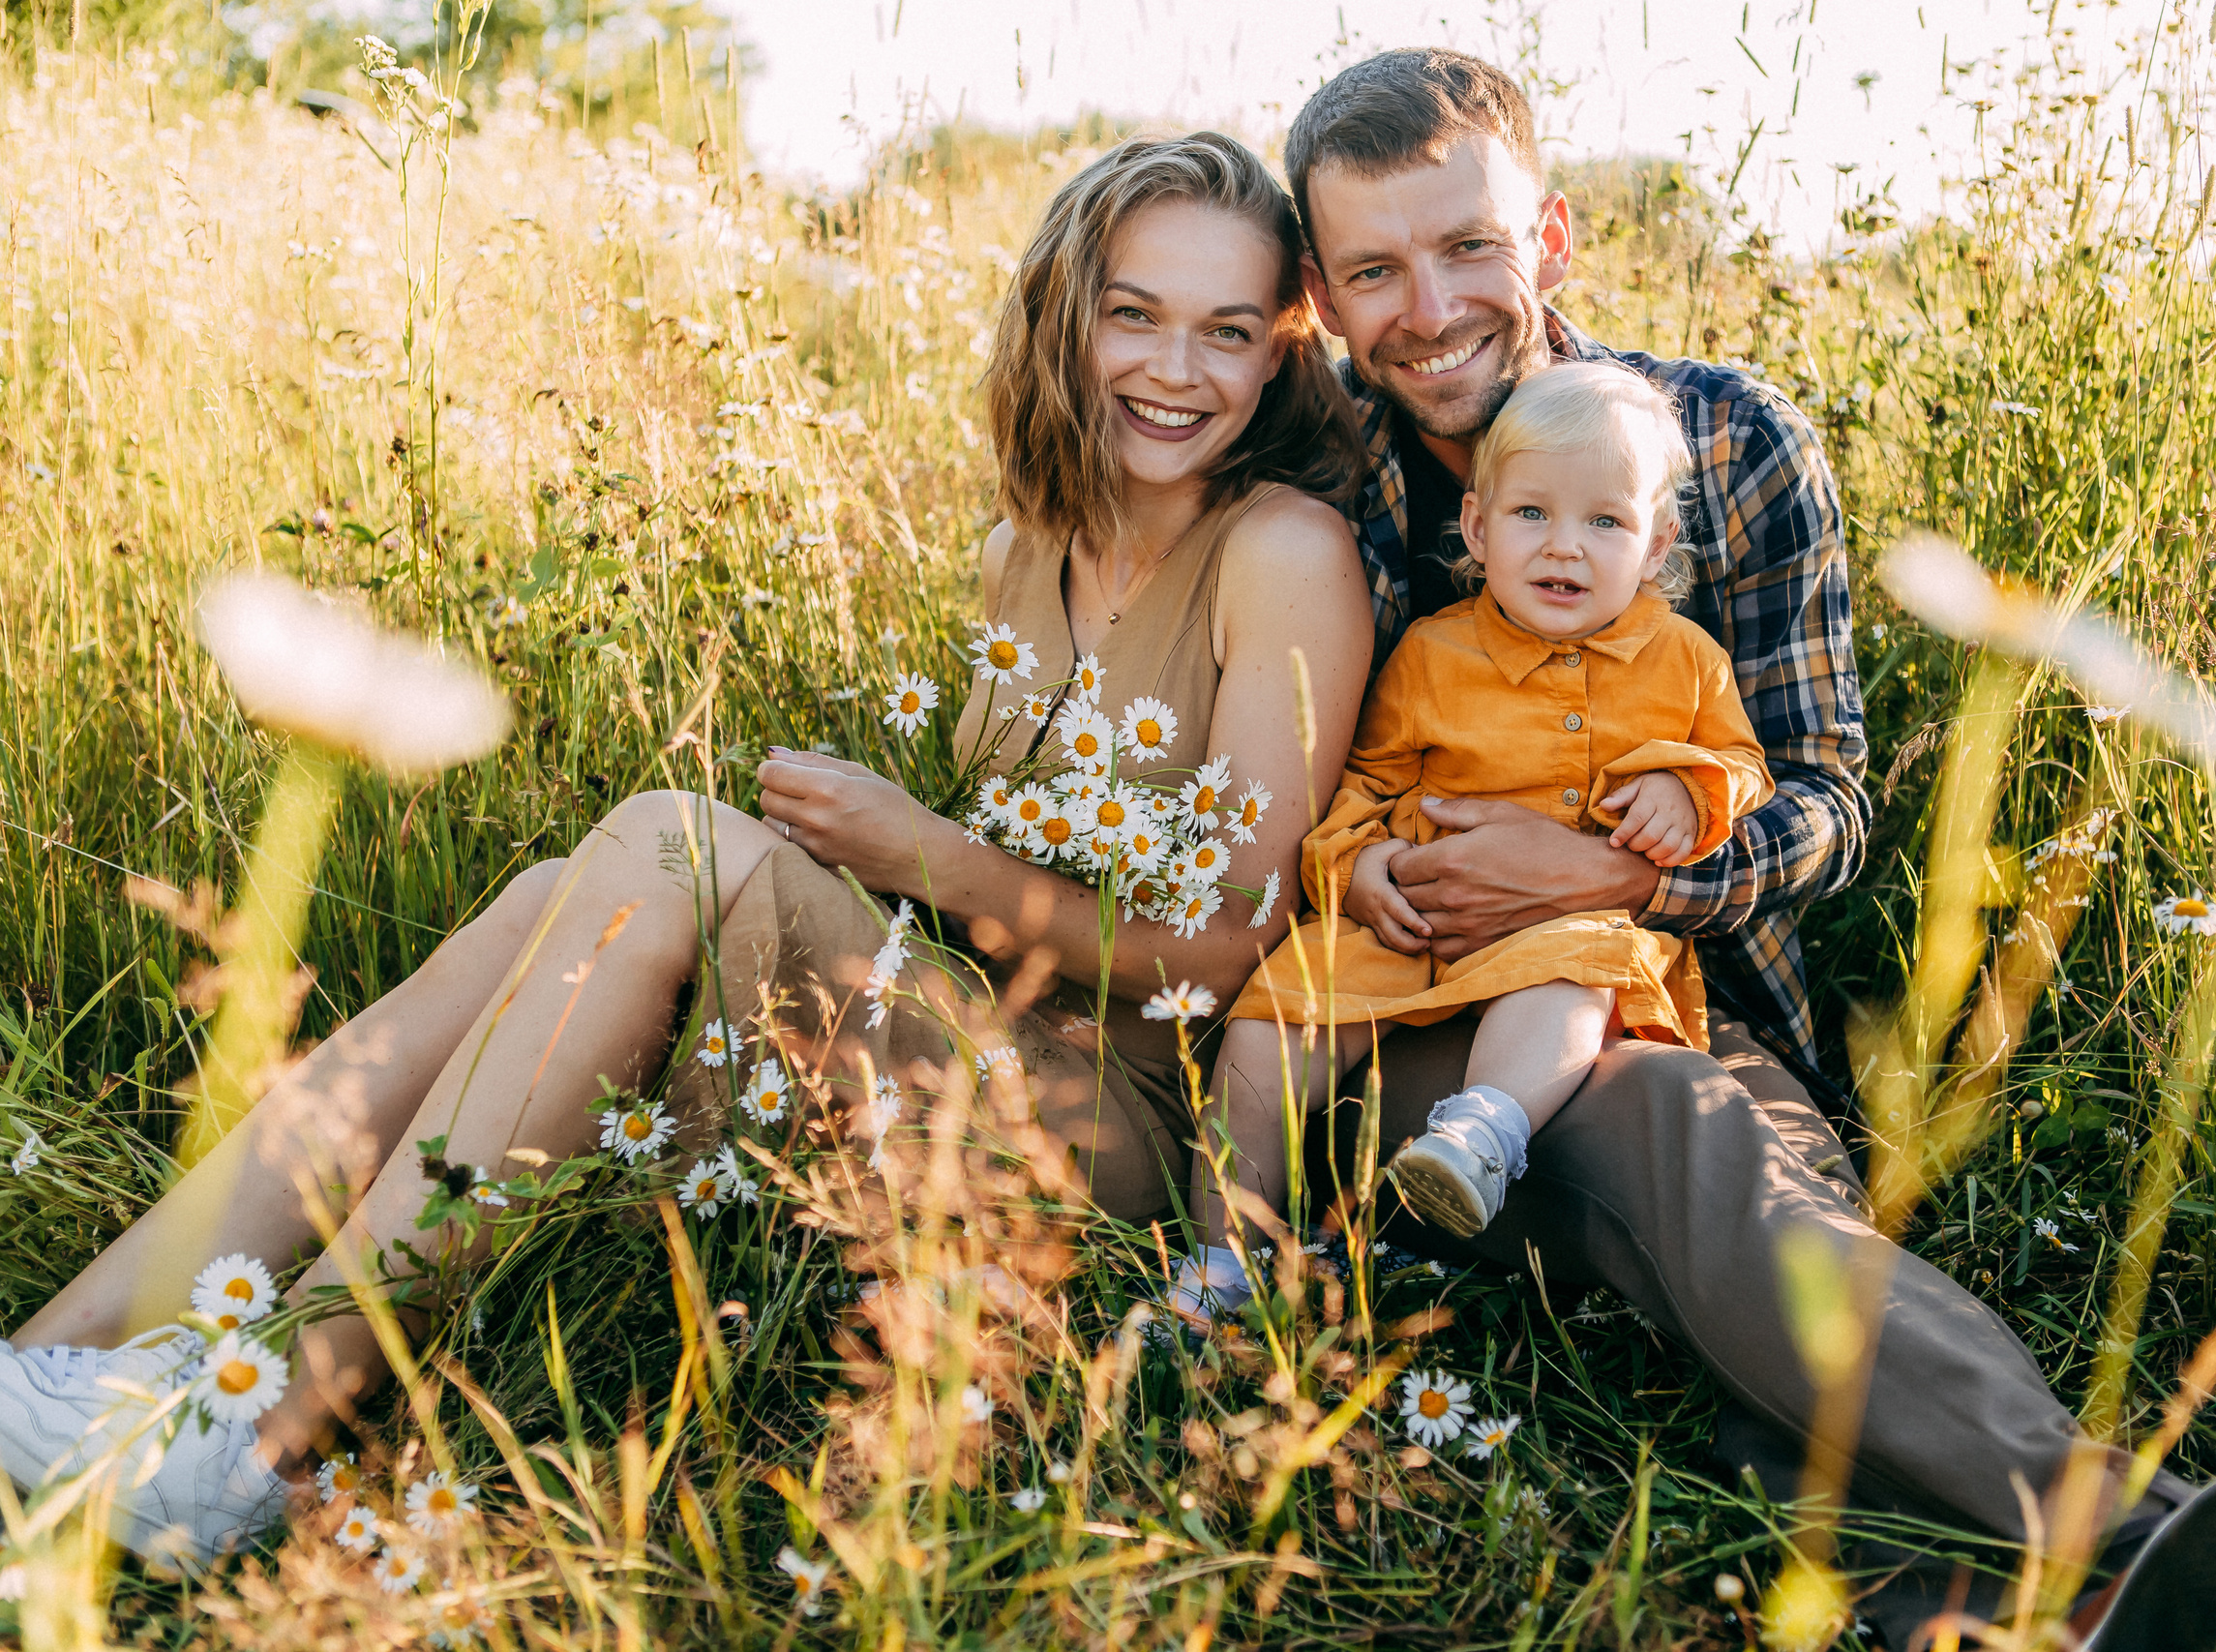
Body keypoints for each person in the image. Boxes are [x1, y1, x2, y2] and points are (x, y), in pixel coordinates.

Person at [0, 131, 1374, 1567]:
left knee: (668, 843)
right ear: (1065, 315)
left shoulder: (1281, 553)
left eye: (1230, 331)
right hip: (963, 1030)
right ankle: (59, 1362)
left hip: (1120, 1132)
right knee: (553, 896)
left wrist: (928, 860)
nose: (1176, 369)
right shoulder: (1022, 545)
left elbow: (1233, 949)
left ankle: (268, 1432)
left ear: (1280, 354)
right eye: (1134, 313)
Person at [1278, 45, 2197, 1633]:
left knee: (1713, 1187)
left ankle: (1981, 1609)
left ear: (1550, 238)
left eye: (1469, 247)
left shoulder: (1716, 443)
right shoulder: (1316, 485)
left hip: (1680, 1000)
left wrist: (1632, 872)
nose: (1427, 308)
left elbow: (1829, 797)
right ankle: (2123, 1521)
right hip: (1401, 1035)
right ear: (1321, 292)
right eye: (1374, 268)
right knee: (1682, 1142)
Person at [1182, 364, 1769, 1300]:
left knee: (1577, 975)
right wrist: (1362, 865)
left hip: (1557, 937)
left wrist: (1687, 789)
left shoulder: (1684, 659)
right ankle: (1226, 1255)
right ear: (1478, 527)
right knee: (1275, 1010)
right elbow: (1364, 784)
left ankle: (1481, 1132)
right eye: (1532, 514)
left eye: (1605, 522)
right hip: (1411, 926)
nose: (1564, 548)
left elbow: (1745, 767)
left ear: (1656, 547)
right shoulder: (1432, 652)